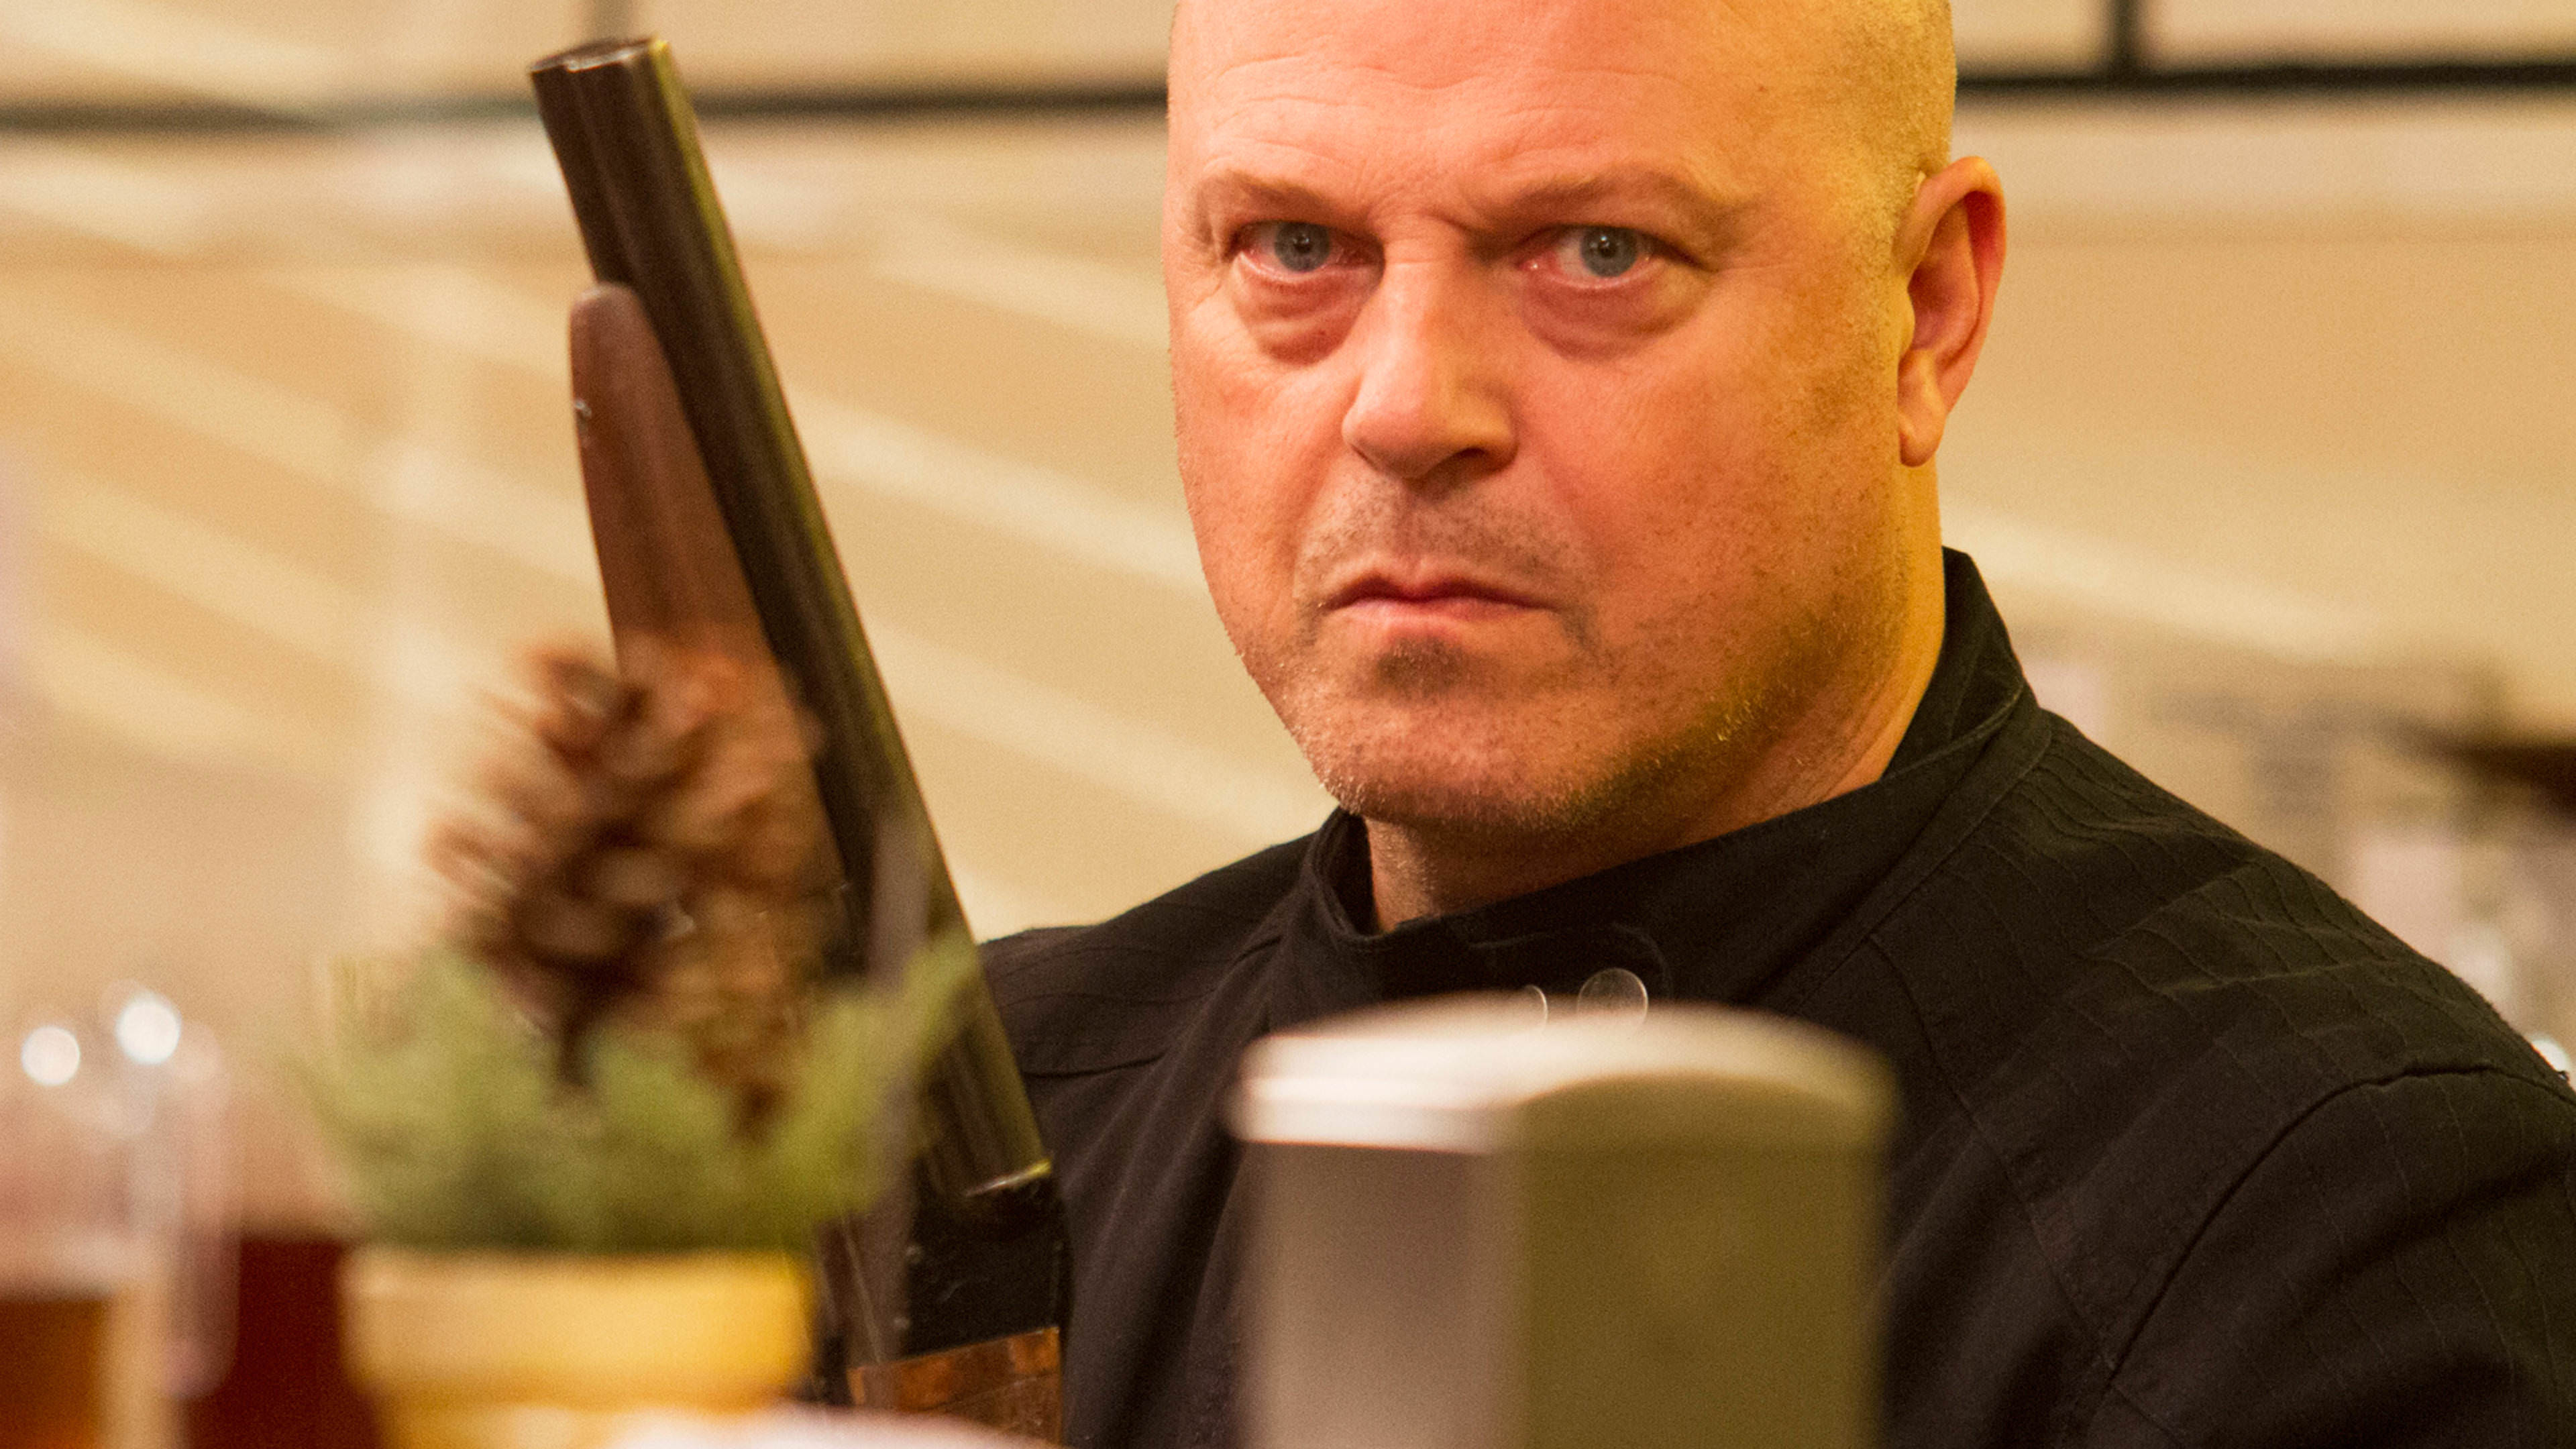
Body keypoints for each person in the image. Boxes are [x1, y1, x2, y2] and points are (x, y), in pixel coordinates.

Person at [981, 0, 2576, 1442]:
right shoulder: (988, 1137)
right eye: (1293, 247)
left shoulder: (2335, 1228)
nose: (1404, 408)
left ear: (1926, 310)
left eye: (1597, 251)